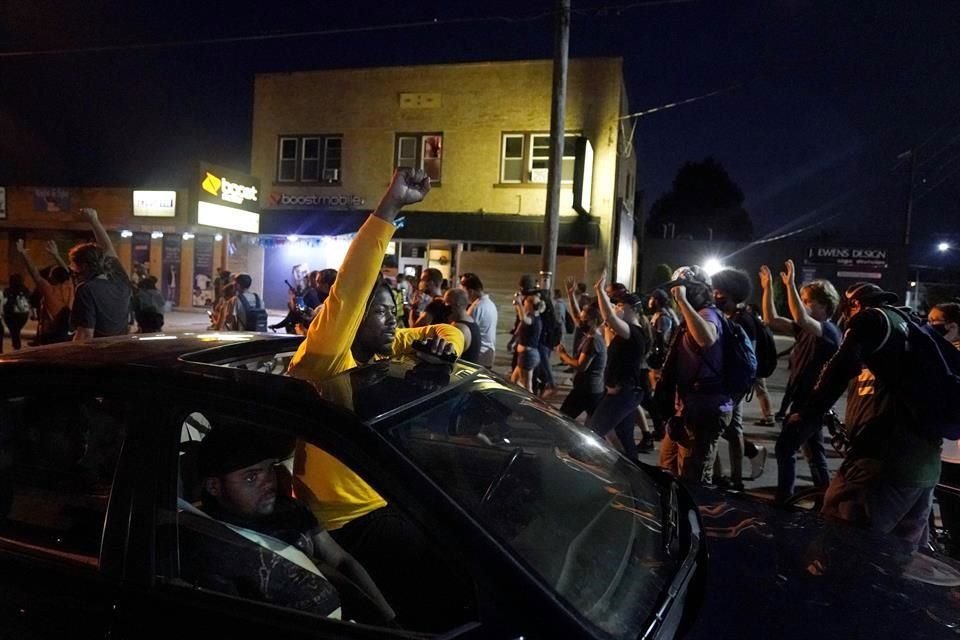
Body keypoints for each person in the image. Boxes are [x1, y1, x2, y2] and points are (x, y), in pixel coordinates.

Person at [286, 168, 465, 631]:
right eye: (381, 312)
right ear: (351, 320)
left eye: (395, 312)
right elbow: (349, 290)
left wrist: (449, 346)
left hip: (383, 499)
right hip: (343, 521)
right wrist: (389, 209)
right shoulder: (324, 357)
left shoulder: (381, 348)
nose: (393, 321)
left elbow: (445, 331)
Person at [791, 283, 942, 551]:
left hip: (880, 467)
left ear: (854, 305)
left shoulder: (872, 319)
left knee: (841, 550)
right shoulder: (908, 327)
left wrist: (807, 414)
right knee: (900, 561)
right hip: (921, 467)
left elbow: (839, 369)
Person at [196, 423, 395, 624]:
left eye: (269, 470)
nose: (268, 482)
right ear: (214, 487)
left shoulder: (290, 510)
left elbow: (340, 559)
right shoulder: (211, 542)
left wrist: (388, 619)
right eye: (251, 477)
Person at [760, 260, 841, 503]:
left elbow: (800, 317)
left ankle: (784, 498)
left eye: (809, 302)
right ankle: (824, 498)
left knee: (785, 449)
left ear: (825, 305)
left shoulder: (827, 331)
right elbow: (771, 318)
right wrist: (767, 288)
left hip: (810, 404)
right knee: (815, 454)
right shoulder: (806, 329)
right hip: (805, 402)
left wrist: (791, 285)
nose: (804, 306)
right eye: (804, 301)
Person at [658, 266, 733, 485]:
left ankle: (700, 515)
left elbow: (706, 338)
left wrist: (683, 302)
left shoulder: (708, 314)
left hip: (705, 409)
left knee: (693, 479)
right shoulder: (694, 315)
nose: (678, 294)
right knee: (668, 465)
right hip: (687, 407)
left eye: (685, 289)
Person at [709, 269, 768, 489]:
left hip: (734, 384)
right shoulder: (730, 316)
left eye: (719, 292)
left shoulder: (744, 321)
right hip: (728, 383)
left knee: (721, 429)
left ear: (733, 293)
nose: (716, 295)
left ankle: (733, 478)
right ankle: (733, 475)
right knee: (730, 430)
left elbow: (747, 357)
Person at [586, 269, 650, 464]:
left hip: (624, 394)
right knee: (623, 438)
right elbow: (609, 330)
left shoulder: (635, 332)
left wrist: (600, 290)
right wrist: (608, 321)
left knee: (593, 431)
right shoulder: (624, 333)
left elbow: (612, 319)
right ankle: (630, 474)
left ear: (632, 309)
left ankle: (615, 471)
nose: (616, 308)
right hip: (622, 393)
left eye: (620, 305)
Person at [69, 208, 132, 341]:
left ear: (84, 266)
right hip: (120, 350)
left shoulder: (86, 290)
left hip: (99, 355)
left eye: (75, 267)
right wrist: (94, 220)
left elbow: (86, 334)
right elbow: (108, 248)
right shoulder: (121, 281)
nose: (74, 273)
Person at [931, 302, 960, 557]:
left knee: (953, 514)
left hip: (955, 452)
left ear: (953, 326)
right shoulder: (945, 352)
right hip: (943, 449)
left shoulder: (953, 355)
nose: (931, 326)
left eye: (936, 322)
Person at [556, 302, 606, 421]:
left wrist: (564, 356)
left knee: (563, 418)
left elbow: (581, 365)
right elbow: (576, 317)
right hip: (591, 389)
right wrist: (571, 296)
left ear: (593, 321)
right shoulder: (592, 337)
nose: (581, 322)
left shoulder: (592, 341)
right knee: (594, 426)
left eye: (585, 319)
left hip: (586, 390)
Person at [459, 273, 498, 368]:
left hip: (478, 356)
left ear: (470, 291)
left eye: (463, 292)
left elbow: (467, 331)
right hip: (488, 354)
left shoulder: (476, 307)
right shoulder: (490, 304)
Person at [510, 291, 544, 392]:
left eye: (525, 304)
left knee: (527, 386)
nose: (524, 306)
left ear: (530, 306)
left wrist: (519, 303)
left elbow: (524, 319)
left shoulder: (533, 319)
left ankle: (530, 405)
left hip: (528, 356)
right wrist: (517, 303)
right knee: (514, 381)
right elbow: (521, 316)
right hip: (526, 355)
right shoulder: (532, 315)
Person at [443, 288, 481, 364]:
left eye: (447, 304)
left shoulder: (459, 328)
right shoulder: (471, 322)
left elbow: (446, 359)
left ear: (457, 305)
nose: (444, 308)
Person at [3, 273, 31, 350]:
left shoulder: (8, 291)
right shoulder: (25, 290)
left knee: (14, 332)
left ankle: (16, 346)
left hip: (11, 316)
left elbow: (5, 303)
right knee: (15, 332)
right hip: (21, 315)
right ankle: (16, 346)